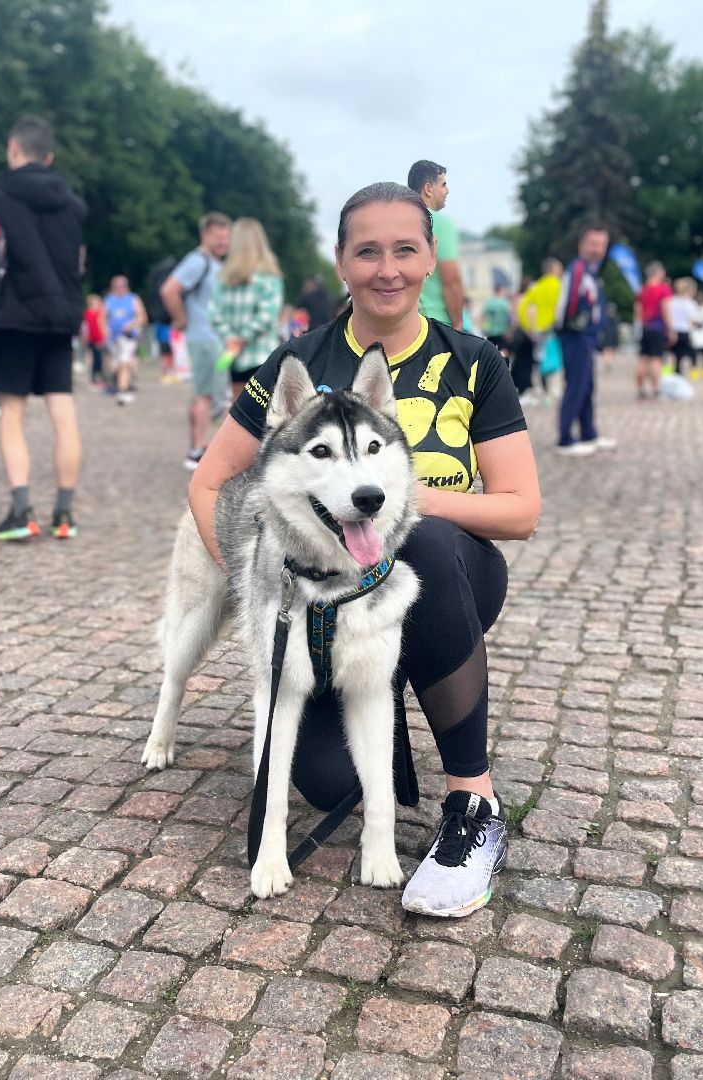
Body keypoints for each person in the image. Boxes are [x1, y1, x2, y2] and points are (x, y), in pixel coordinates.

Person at [193, 181, 540, 917]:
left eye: (405, 249)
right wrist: (255, 586)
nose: (388, 268)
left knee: (425, 543)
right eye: (368, 251)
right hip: (322, 605)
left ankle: (471, 802)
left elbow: (520, 509)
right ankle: (379, 710)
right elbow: (211, 482)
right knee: (328, 782)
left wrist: (401, 507)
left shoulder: (474, 361)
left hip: (448, 578)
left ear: (430, 255)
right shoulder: (297, 360)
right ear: (342, 261)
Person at [0, 114, 90, 542]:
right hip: (60, 314)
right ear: (49, 156)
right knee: (62, 411)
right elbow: (77, 262)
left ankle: (21, 509)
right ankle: (64, 513)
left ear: (13, 149)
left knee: (12, 412)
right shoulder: (72, 204)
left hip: (15, 312)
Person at [161, 211, 232, 470]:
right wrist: (181, 319)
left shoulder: (217, 264)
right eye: (219, 237)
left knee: (220, 392)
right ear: (205, 235)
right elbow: (169, 289)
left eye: (227, 238)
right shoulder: (197, 261)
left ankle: (205, 445)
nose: (224, 243)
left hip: (219, 344)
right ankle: (196, 451)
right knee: (204, 394)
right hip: (204, 340)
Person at [554, 223, 616, 456]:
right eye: (593, 243)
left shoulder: (590, 271)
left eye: (602, 244)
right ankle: (565, 438)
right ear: (582, 244)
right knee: (577, 384)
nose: (598, 249)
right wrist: (571, 328)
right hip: (576, 335)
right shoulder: (578, 269)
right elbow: (566, 304)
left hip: (585, 337)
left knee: (587, 385)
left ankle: (589, 432)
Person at [210, 218, 285, 400]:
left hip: (233, 356)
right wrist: (243, 337)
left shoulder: (223, 280)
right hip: (262, 355)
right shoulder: (269, 278)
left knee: (236, 411)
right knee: (264, 416)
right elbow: (267, 315)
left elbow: (215, 313)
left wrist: (231, 339)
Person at [407, 160, 463, 330]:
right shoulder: (440, 223)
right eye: (443, 185)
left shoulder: (398, 222)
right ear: (428, 189)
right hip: (437, 323)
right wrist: (458, 326)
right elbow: (451, 280)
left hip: (405, 324)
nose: (447, 190)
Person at [516, 258, 562, 406]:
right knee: (555, 361)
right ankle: (553, 393)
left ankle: (542, 392)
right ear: (554, 270)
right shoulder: (558, 285)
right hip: (554, 329)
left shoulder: (536, 287)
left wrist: (528, 327)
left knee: (540, 360)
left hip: (537, 330)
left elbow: (523, 308)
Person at [104, 274, 147, 405]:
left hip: (128, 337)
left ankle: (123, 390)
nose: (119, 289)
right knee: (116, 364)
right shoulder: (108, 300)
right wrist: (104, 330)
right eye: (117, 286)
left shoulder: (133, 299)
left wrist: (132, 325)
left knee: (125, 361)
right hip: (113, 338)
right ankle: (121, 381)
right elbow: (102, 318)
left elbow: (142, 317)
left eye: (122, 286)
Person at [635, 261, 673, 399]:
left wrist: (642, 324)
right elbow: (665, 309)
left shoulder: (643, 289)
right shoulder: (663, 289)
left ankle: (641, 389)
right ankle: (656, 389)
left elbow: (638, 310)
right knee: (656, 359)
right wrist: (670, 328)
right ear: (659, 273)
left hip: (646, 327)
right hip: (658, 327)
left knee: (643, 359)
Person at [666, 278, 698, 380]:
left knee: (673, 355)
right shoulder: (689, 303)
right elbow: (693, 318)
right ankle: (686, 374)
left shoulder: (670, 300)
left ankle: (670, 374)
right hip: (684, 331)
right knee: (689, 354)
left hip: (672, 331)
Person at [83, 294, 108, 390]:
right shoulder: (92, 314)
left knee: (98, 360)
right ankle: (96, 380)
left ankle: (98, 379)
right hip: (95, 340)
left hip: (95, 340)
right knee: (97, 361)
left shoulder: (90, 313)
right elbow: (93, 328)